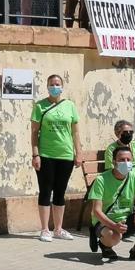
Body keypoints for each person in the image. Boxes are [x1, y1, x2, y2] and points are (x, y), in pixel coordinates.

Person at [30, 74, 81, 241]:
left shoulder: (70, 106)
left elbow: (75, 132)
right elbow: (34, 132)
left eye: (57, 84)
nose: (55, 86)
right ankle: (45, 229)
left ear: (62, 86)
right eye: (51, 84)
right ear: (47, 86)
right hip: (46, 155)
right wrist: (35, 154)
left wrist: (78, 153)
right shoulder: (40, 106)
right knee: (46, 190)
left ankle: (58, 229)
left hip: (65, 155)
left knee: (60, 192)